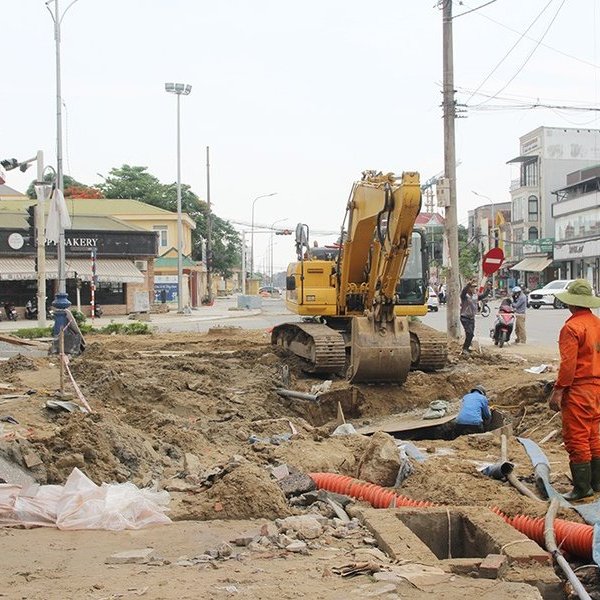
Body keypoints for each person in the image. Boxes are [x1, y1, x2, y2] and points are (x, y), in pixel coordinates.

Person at [548, 279, 600, 501]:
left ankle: (582, 488)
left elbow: (568, 365)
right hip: (597, 388)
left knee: (577, 437)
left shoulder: (571, 328)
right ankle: (596, 483)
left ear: (572, 304)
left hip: (579, 388)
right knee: (594, 435)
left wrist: (558, 391)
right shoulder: (597, 323)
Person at [460, 280, 486, 353]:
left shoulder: (475, 296)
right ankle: (465, 348)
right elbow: (463, 292)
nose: (473, 289)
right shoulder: (465, 296)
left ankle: (466, 348)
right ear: (469, 288)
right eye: (472, 287)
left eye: (474, 287)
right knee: (469, 333)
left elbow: (482, 296)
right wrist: (468, 284)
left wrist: (488, 290)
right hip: (464, 317)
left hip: (472, 318)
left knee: (471, 335)